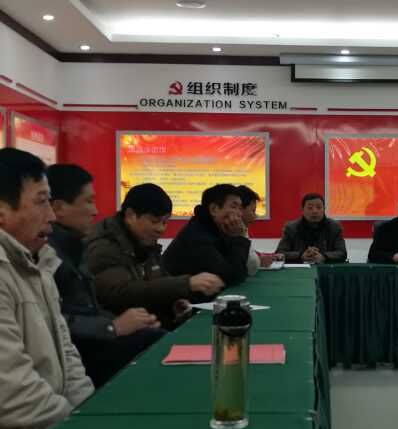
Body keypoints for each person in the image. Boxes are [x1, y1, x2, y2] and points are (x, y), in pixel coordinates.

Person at [0, 148, 93, 429]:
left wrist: (89, 414)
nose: (52, 216)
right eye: (41, 202)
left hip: (48, 428)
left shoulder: (38, 263)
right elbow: (13, 396)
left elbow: (67, 355)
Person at [47, 164, 165, 387]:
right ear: (59, 208)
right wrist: (113, 326)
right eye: (89, 201)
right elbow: (52, 321)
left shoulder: (73, 247)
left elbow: (88, 309)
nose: (95, 211)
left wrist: (129, 322)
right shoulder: (52, 253)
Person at [86, 183, 224, 330]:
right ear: (131, 215)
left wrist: (174, 304)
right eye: (154, 221)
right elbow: (120, 294)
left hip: (151, 324)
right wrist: (186, 283)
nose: (161, 228)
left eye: (165, 222)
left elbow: (157, 283)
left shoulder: (146, 242)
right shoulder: (104, 246)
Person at [163, 184, 251, 285]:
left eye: (240, 208)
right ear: (214, 209)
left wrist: (236, 238)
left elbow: (241, 270)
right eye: (234, 207)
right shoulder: (198, 236)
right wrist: (239, 237)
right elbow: (233, 276)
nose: (239, 214)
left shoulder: (216, 229)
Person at [276, 193, 347, 264]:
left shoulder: (334, 227)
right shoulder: (291, 228)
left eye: (319, 207)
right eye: (310, 208)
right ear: (302, 210)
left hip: (325, 267)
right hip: (300, 268)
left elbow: (342, 253)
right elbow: (280, 253)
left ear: (324, 209)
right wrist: (300, 255)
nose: (315, 211)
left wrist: (324, 257)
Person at [235, 185, 283, 276]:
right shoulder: (234, 230)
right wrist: (259, 260)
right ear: (240, 209)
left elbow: (249, 252)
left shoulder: (242, 228)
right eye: (253, 211)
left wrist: (263, 255)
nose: (255, 216)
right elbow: (251, 264)